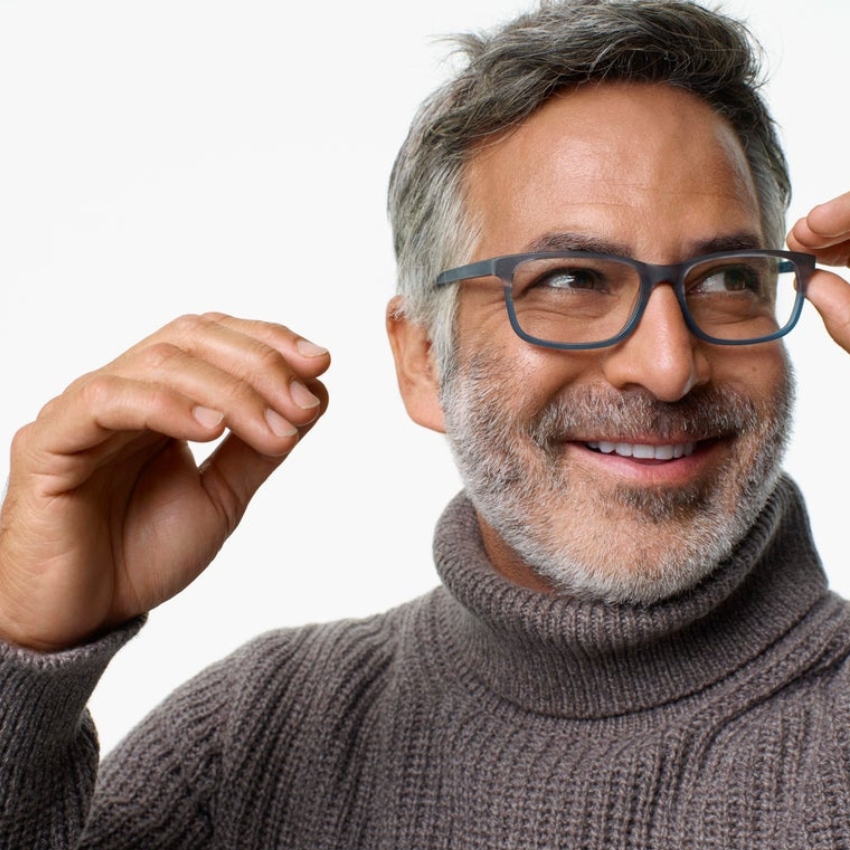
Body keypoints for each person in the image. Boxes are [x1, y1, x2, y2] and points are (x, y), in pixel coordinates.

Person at [2, 0, 850, 845]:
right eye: (571, 280)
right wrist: (22, 656)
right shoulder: (251, 743)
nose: (668, 368)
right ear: (421, 360)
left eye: (728, 279)